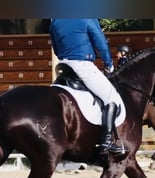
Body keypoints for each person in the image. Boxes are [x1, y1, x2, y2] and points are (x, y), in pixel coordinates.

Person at [49, 19, 126, 157]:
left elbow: (55, 48)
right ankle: (106, 143)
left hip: (63, 66)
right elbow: (100, 43)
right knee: (111, 98)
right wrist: (109, 65)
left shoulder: (56, 21)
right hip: (83, 65)